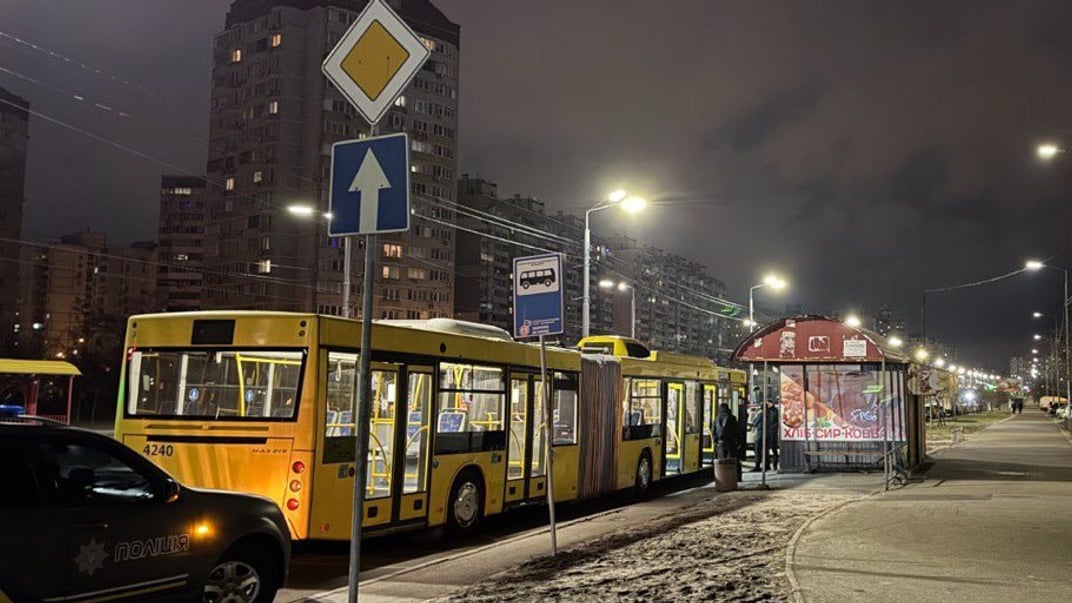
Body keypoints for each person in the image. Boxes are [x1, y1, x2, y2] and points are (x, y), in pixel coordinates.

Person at [751, 399, 780, 471]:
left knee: (758, 450)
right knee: (766, 451)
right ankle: (767, 465)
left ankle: (757, 465)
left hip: (760, 434)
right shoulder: (770, 414)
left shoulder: (761, 414)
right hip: (769, 435)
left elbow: (754, 422)